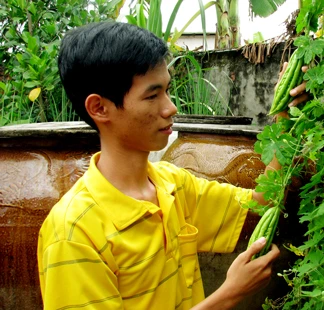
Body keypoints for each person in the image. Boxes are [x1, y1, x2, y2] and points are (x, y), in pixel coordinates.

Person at [37, 21, 307, 310]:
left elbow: (263, 201)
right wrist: (229, 294)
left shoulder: (172, 184)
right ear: (99, 108)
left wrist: (284, 115)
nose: (170, 108)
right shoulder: (73, 233)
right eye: (152, 96)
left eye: (167, 90)